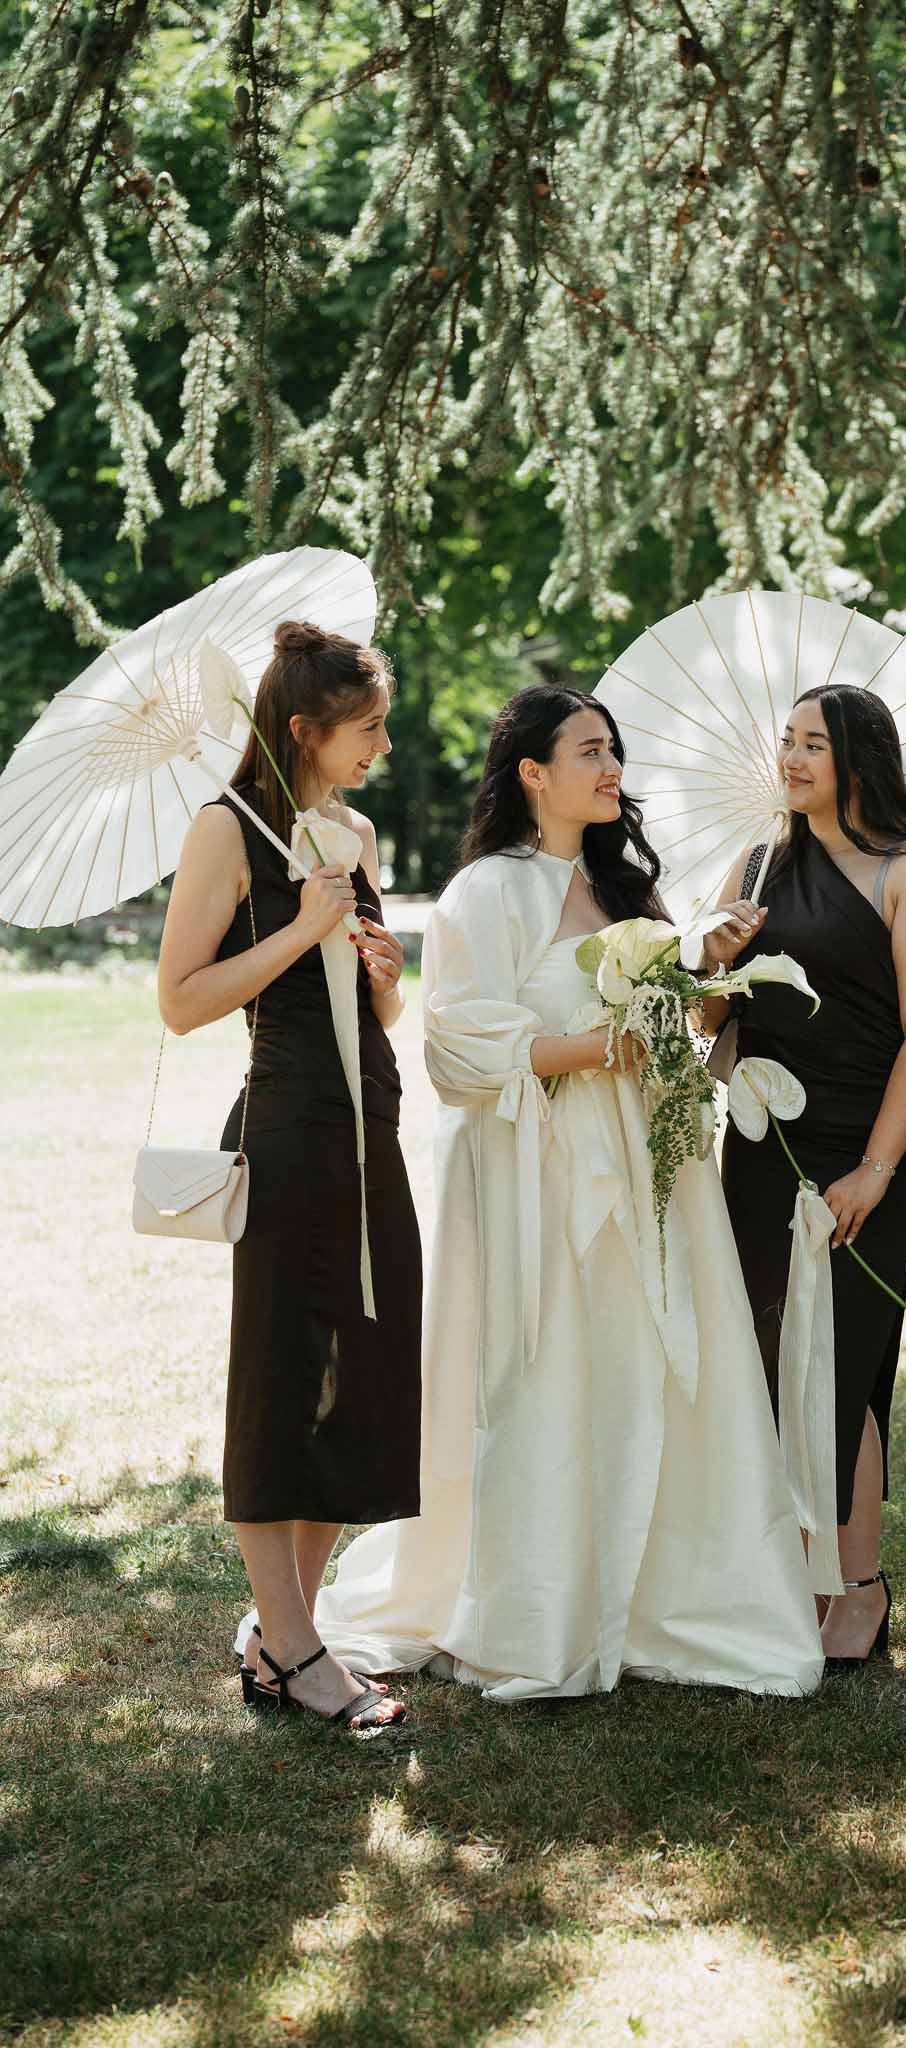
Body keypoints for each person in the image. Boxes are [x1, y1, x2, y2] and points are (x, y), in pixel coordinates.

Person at [309, 683, 824, 1700]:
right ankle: (536, 1593)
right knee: (544, 1368)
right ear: (532, 772)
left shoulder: (626, 885)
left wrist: (698, 970)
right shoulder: (485, 893)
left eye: (614, 751)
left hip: (646, 1165)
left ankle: (665, 1587)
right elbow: (458, 1044)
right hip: (530, 1169)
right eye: (588, 751)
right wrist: (598, 1044)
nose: (610, 769)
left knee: (644, 1362)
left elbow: (668, 1025)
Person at [160, 620, 419, 1731]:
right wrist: (298, 926)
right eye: (366, 729)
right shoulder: (226, 828)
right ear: (304, 729)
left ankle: (286, 1635)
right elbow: (181, 997)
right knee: (282, 1370)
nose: (382, 747)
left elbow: (377, 1011)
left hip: (374, 1114)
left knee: (364, 1364)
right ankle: (299, 1646)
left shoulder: (354, 829)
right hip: (285, 1120)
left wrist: (383, 970)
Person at [713, 686, 906, 1669]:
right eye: (786, 739)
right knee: (771, 1355)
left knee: (845, 1361)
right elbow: (712, 1029)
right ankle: (786, 1573)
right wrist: (716, 962)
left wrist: (875, 1167)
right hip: (762, 1143)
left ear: (862, 756)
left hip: (873, 1149)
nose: (793, 756)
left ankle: (860, 1587)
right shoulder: (757, 862)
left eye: (813, 742)